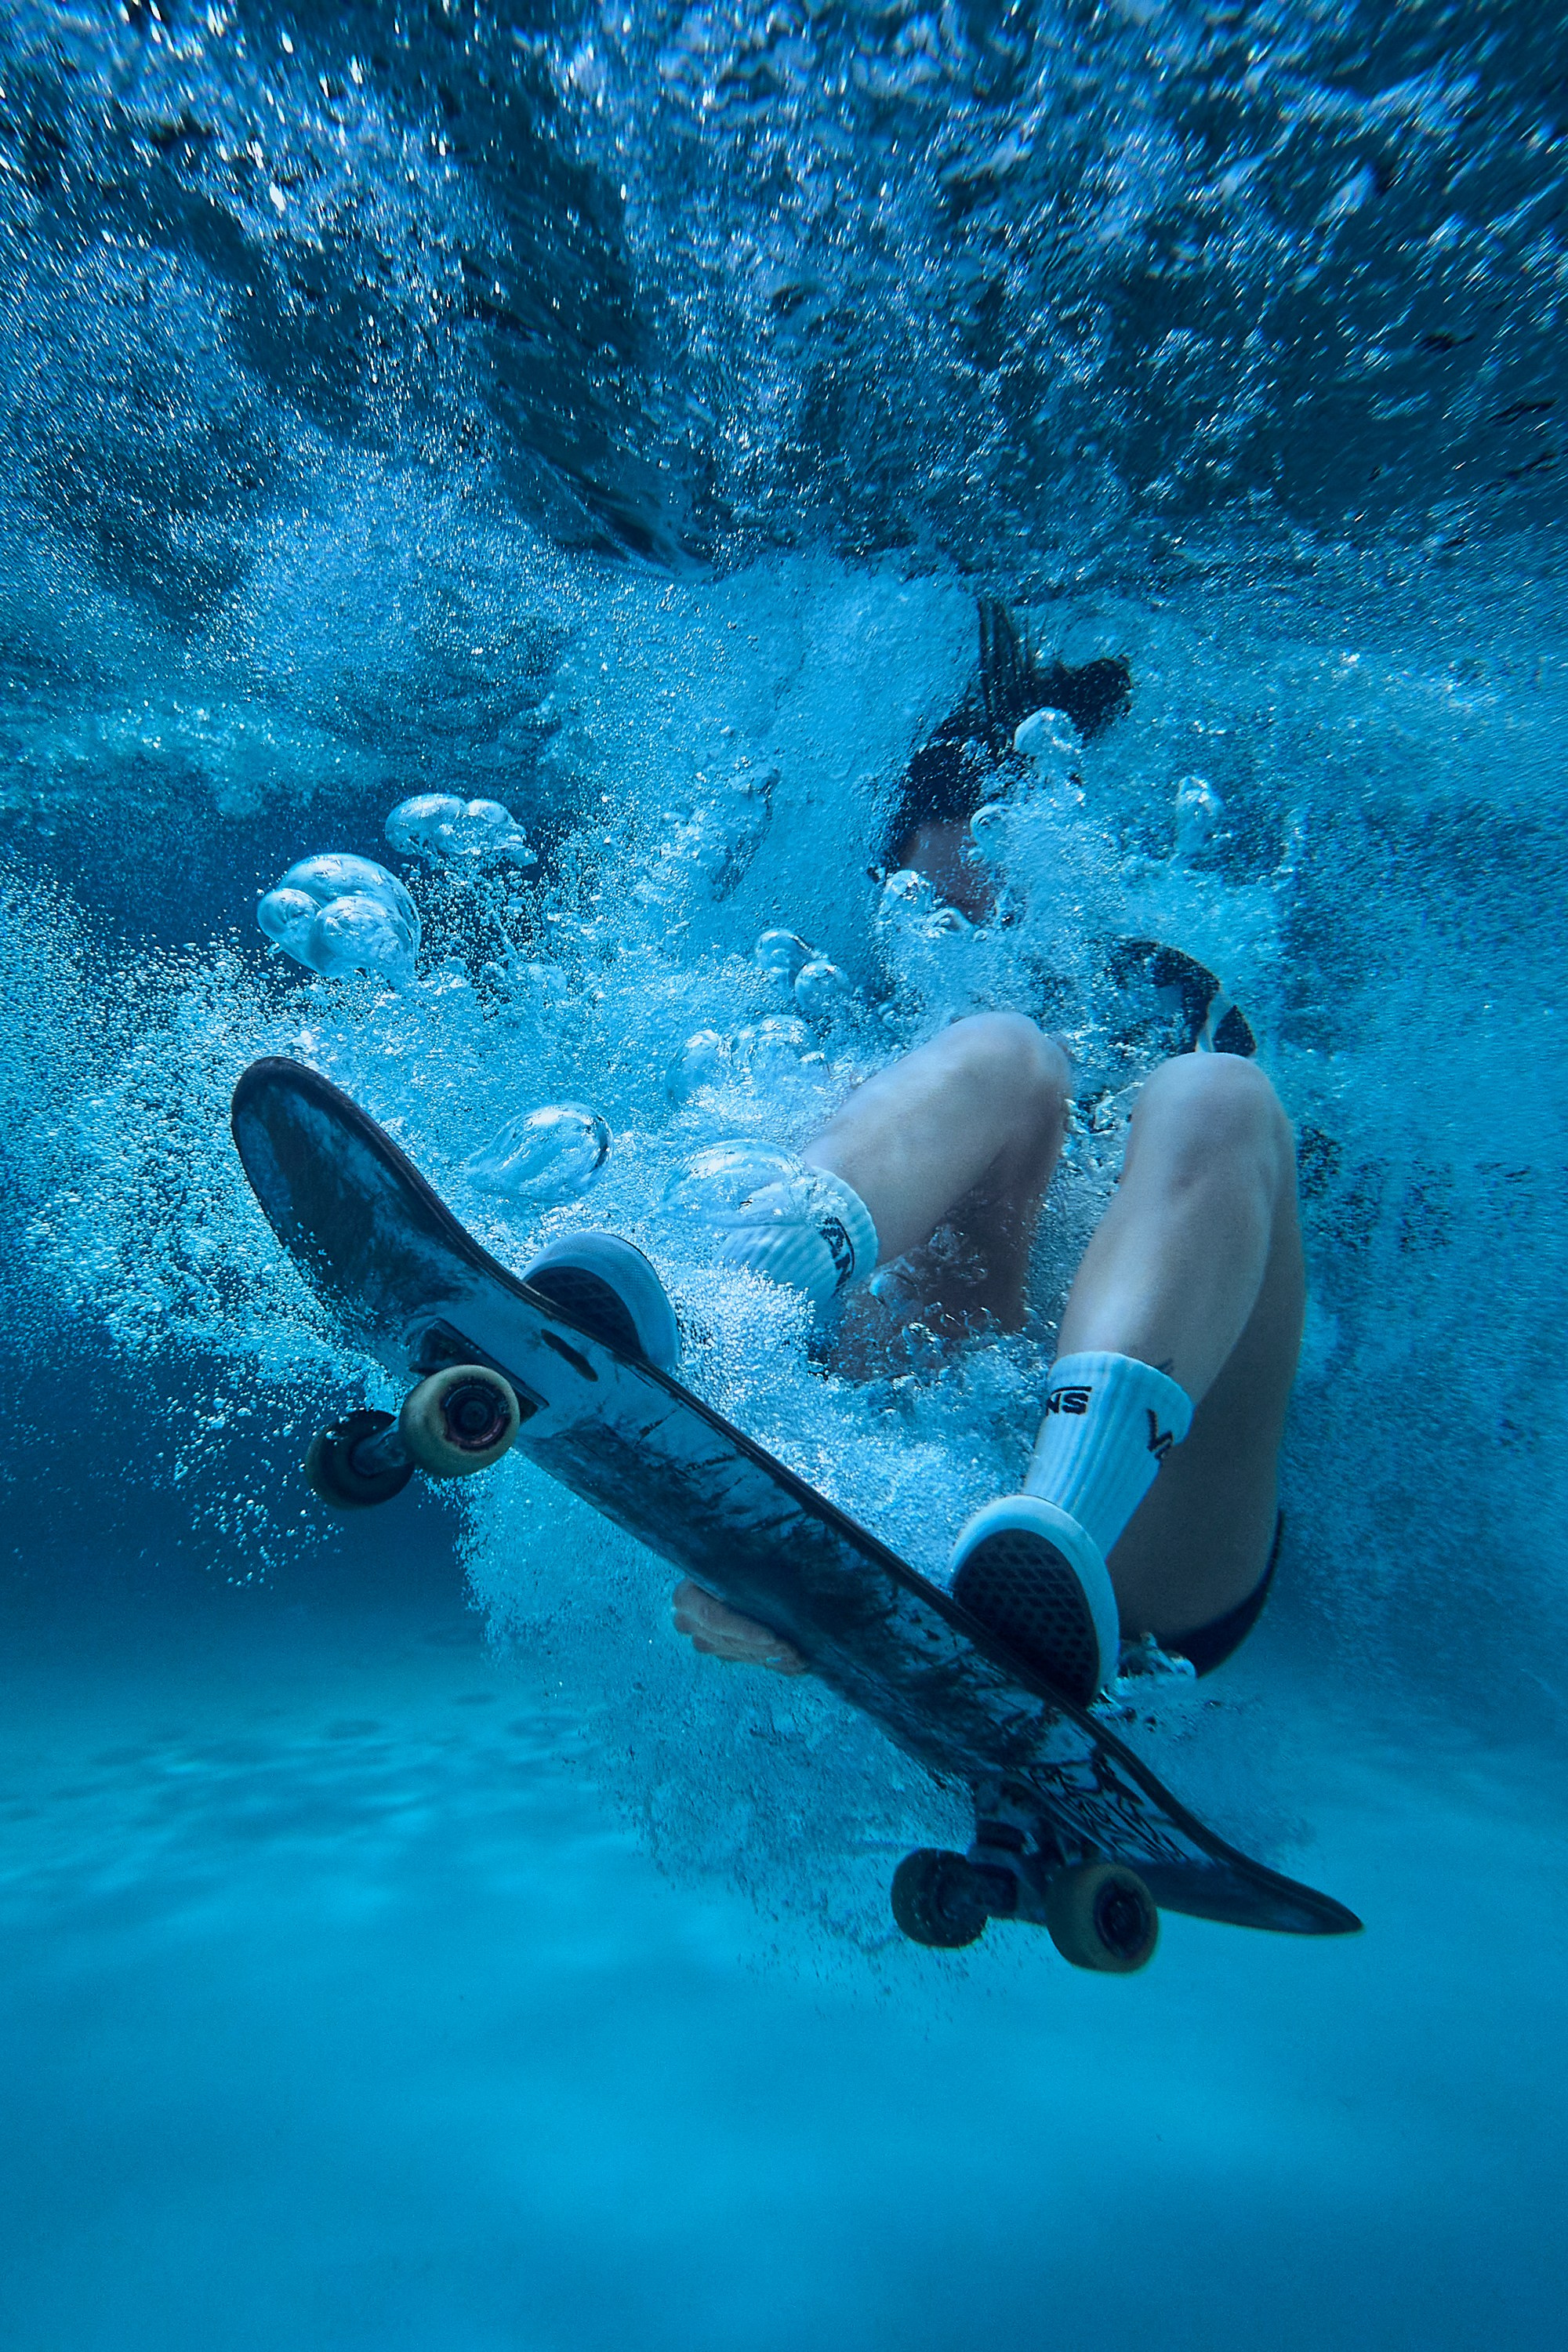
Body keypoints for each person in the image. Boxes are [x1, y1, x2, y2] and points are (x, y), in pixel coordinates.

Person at [530, 1011, 1302, 1706]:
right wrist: (756, 1558)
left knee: (1218, 1095)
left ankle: (1052, 1568)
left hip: (1140, 1556)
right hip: (889, 1449)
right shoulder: (904, 1044)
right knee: (1001, 1046)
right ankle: (712, 1332)